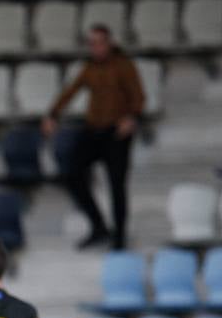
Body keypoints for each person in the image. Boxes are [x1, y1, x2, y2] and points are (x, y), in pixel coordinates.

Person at [42, 24, 145, 251]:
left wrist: (133, 117)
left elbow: (138, 96)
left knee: (116, 186)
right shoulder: (89, 67)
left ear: (109, 43)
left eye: (100, 42)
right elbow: (70, 91)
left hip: (116, 133)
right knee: (72, 173)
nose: (96, 48)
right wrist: (53, 113)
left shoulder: (123, 66)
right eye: (92, 43)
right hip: (93, 130)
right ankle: (98, 225)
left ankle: (119, 238)